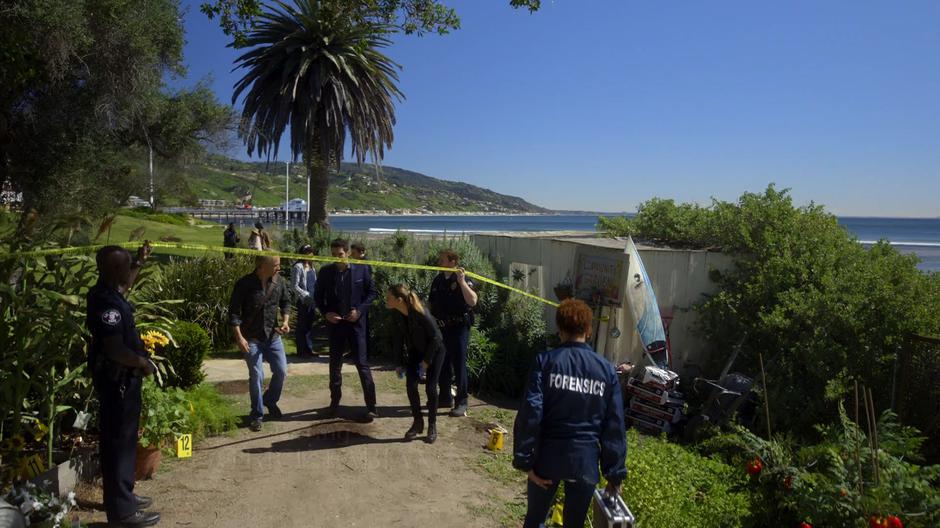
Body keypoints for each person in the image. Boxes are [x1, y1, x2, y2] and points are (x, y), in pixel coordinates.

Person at [512, 299, 627, 528]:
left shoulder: (545, 362)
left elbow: (531, 412)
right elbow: (614, 425)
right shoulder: (606, 370)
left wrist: (525, 461)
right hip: (584, 462)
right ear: (588, 329)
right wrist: (614, 474)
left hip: (547, 458)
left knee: (535, 520)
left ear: (559, 329)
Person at [87, 243, 161, 527]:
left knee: (125, 442)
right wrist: (142, 363)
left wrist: (139, 262)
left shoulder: (108, 292)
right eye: (127, 264)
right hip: (117, 381)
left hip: (121, 381)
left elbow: (125, 287)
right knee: (118, 443)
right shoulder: (107, 304)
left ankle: (122, 495)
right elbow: (115, 349)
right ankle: (123, 513)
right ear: (115, 269)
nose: (130, 268)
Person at [314, 238, 379, 420]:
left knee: (362, 364)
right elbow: (318, 297)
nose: (337, 258)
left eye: (340, 255)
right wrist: (326, 313)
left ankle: (371, 406)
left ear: (348, 253)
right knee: (335, 366)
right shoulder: (326, 272)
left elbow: (372, 293)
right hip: (336, 325)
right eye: (334, 255)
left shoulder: (362, 268)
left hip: (356, 325)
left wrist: (359, 311)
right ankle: (334, 404)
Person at [228, 255, 291, 432]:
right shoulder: (244, 284)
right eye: (276, 264)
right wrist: (239, 337)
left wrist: (285, 321)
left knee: (281, 371)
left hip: (273, 337)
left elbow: (286, 302)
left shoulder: (280, 282)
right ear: (262, 266)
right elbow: (233, 312)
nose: (279, 267)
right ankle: (256, 414)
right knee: (257, 376)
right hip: (251, 339)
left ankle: (270, 401)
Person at [386, 284, 446, 444]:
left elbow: (436, 338)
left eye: (389, 297)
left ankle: (432, 425)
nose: (386, 300)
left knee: (431, 388)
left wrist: (427, 362)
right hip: (416, 352)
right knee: (411, 385)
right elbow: (398, 339)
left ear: (399, 300)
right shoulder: (397, 314)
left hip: (435, 351)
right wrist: (398, 363)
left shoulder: (421, 312)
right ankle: (418, 422)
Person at [428, 249, 477, 417]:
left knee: (459, 365)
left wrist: (462, 282)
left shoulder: (463, 279)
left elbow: (472, 301)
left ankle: (462, 402)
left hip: (459, 328)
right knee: (442, 363)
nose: (439, 263)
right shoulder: (438, 281)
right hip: (442, 328)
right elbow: (431, 304)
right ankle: (444, 397)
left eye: (442, 260)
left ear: (452, 262)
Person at [291, 244, 318, 358]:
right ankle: (301, 351)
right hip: (303, 301)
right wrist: (305, 295)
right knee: (302, 326)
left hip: (312, 300)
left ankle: (309, 349)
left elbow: (315, 283)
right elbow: (294, 286)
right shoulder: (298, 267)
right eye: (307, 252)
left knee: (309, 325)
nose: (310, 254)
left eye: (311, 252)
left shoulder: (312, 267)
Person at [350, 242, 374, 359]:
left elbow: (368, 286)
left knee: (363, 330)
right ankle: (355, 352)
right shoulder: (357, 263)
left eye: (354, 253)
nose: (351, 255)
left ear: (361, 253)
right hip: (357, 300)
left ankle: (365, 354)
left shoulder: (365, 265)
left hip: (363, 302)